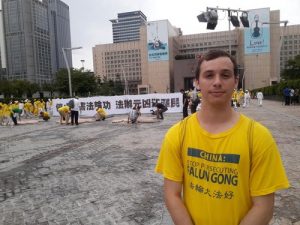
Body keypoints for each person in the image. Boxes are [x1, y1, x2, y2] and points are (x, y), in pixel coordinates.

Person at [155, 50, 289, 225]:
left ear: (235, 81)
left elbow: (263, 207)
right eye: (209, 75)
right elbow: (172, 194)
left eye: (225, 75)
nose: (217, 82)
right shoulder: (177, 134)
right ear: (197, 82)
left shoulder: (258, 137)